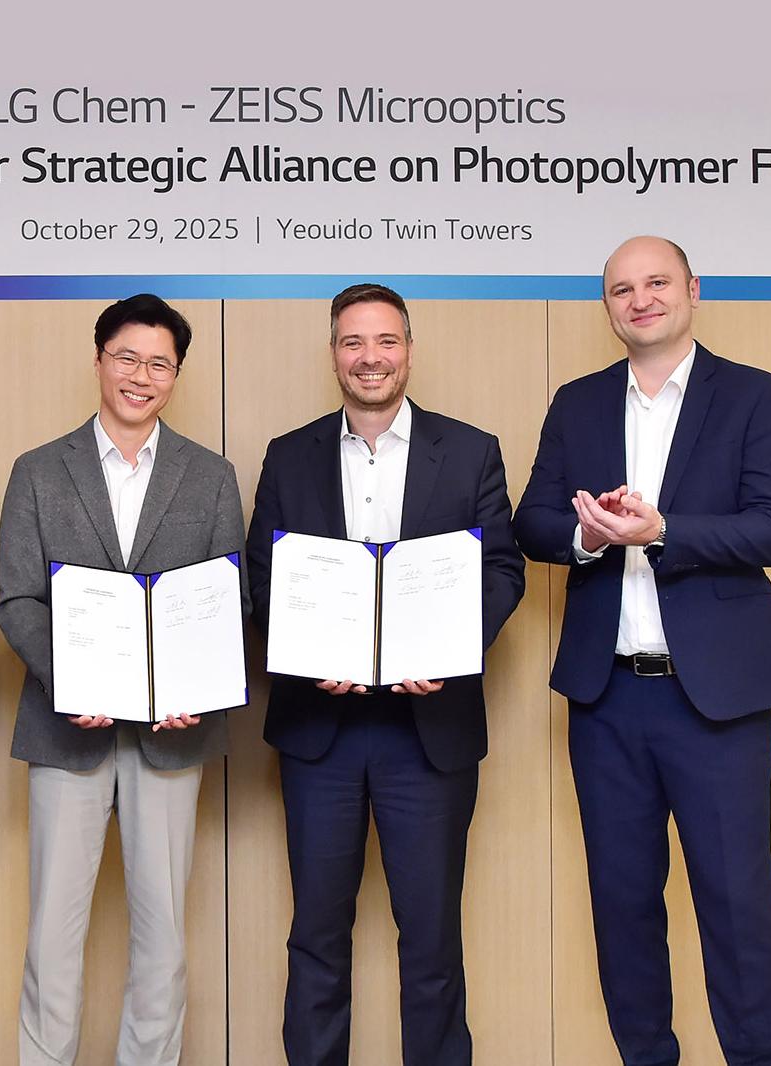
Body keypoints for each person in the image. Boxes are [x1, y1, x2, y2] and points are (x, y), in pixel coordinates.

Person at [513, 236, 771, 1066]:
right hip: (607, 701)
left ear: (692, 291)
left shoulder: (754, 396)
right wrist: (589, 534)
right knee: (623, 906)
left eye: (656, 284)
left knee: (738, 907)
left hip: (716, 701)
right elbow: (532, 519)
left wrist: (665, 530)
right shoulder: (577, 403)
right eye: (621, 289)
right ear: (606, 306)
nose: (639, 300)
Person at [245, 283, 526, 1066]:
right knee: (317, 938)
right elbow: (265, 580)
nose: (370, 358)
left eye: (385, 342)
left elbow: (502, 572)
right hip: (320, 734)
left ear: (409, 348)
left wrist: (449, 647)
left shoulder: (470, 450)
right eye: (352, 343)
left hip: (427, 735)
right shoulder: (289, 453)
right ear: (332, 351)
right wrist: (307, 657)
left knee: (432, 940)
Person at [0, 294, 247, 1066]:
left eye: (160, 363)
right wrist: (76, 684)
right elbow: (18, 598)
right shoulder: (38, 470)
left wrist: (192, 690)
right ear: (99, 358)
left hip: (173, 737)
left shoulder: (209, 475)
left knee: (162, 936)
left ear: (177, 374)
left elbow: (225, 603)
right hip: (66, 731)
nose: (142, 376)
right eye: (128, 358)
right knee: (51, 936)